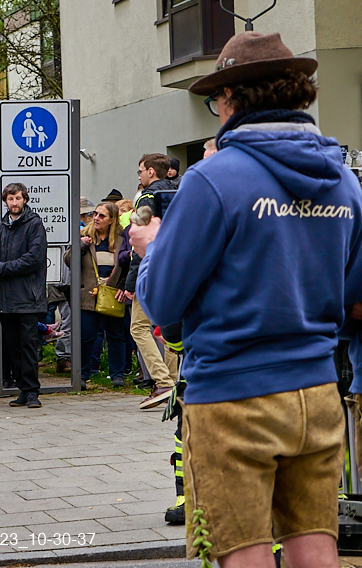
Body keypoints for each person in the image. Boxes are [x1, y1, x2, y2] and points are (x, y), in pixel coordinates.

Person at [133, 30, 362, 568]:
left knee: (242, 551)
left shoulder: (213, 179)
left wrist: (153, 248)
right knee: (315, 544)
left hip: (233, 395)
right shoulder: (345, 183)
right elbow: (354, 300)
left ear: (234, 99)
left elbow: (163, 306)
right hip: (319, 394)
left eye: (216, 102)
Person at [123, 153, 179, 409]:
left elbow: (140, 241)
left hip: (153, 268)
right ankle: (176, 380)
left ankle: (162, 381)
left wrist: (132, 281)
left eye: (140, 171)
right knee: (169, 327)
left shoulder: (147, 197)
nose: (139, 176)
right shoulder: (178, 191)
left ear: (151, 172)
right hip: (176, 268)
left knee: (138, 327)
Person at [0, 182, 48, 408]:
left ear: (25, 200)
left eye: (18, 198)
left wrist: (0, 268)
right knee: (13, 346)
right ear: (5, 201)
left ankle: (33, 392)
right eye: (10, 199)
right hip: (5, 297)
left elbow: (34, 259)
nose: (14, 203)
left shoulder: (34, 224)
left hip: (28, 296)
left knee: (28, 345)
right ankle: (23, 390)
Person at [66, 202, 129, 388]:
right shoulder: (84, 234)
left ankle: (117, 374)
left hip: (112, 293)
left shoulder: (121, 238)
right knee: (86, 336)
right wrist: (81, 246)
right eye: (95, 214)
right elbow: (68, 260)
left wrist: (123, 287)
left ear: (112, 220)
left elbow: (128, 264)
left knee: (116, 335)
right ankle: (83, 374)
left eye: (102, 216)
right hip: (88, 294)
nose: (96, 218)